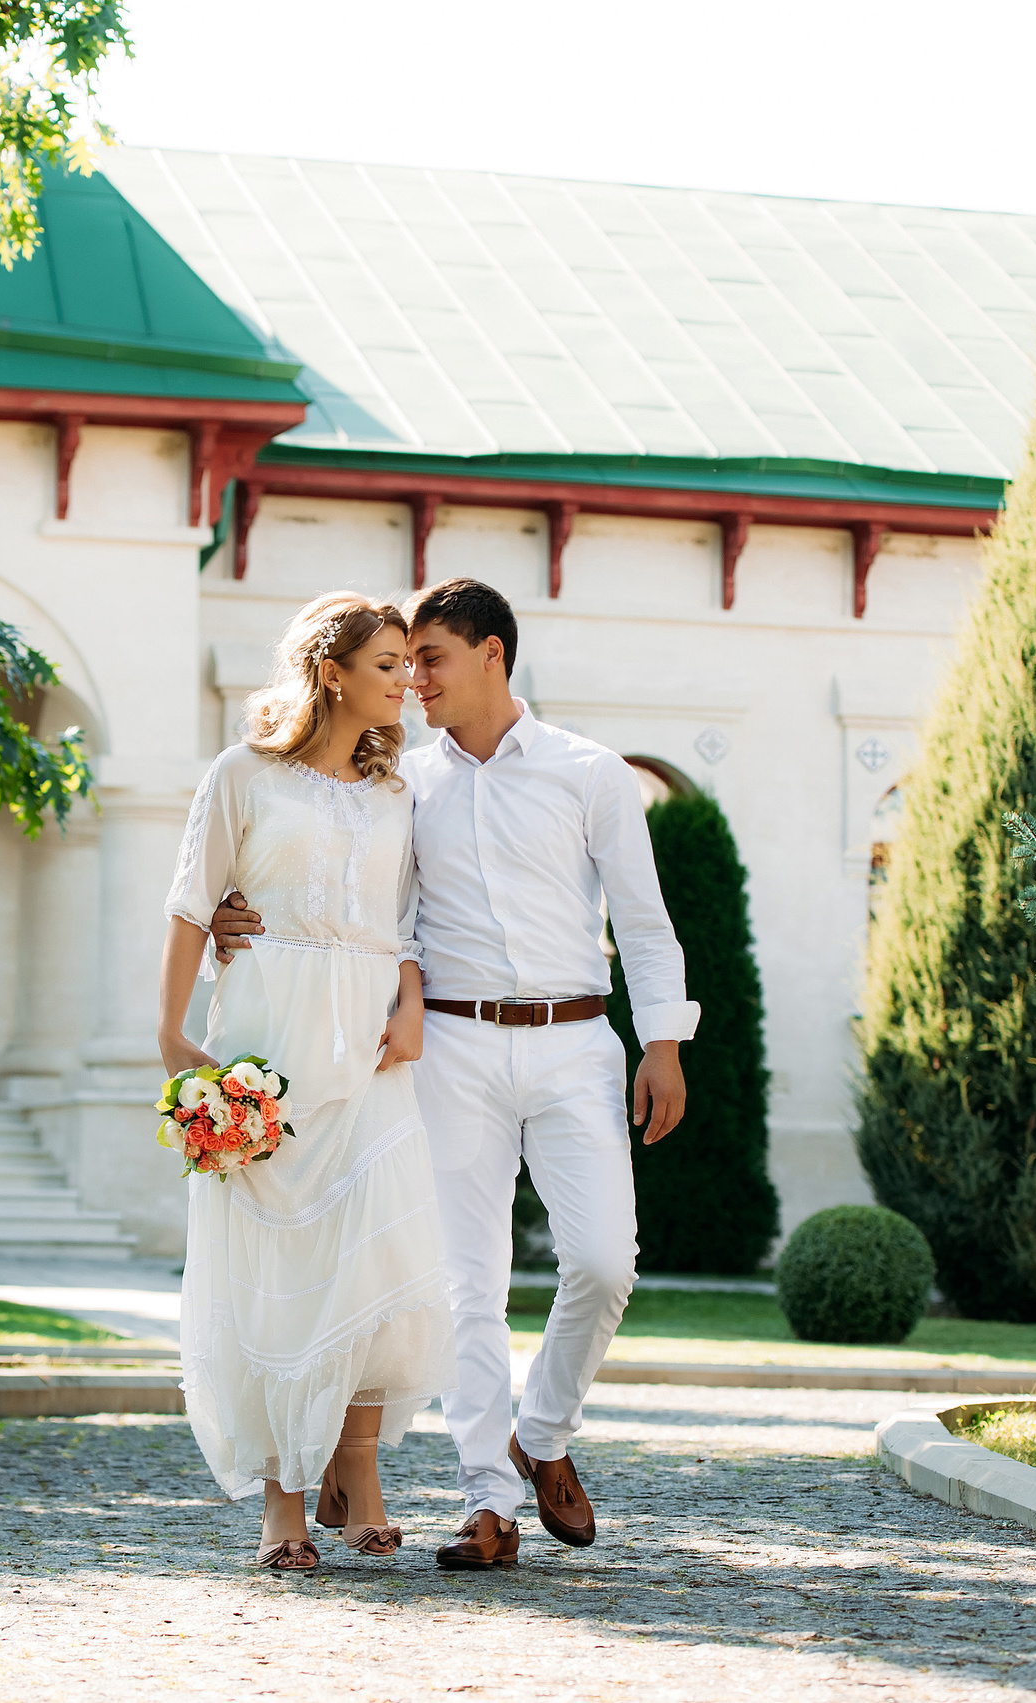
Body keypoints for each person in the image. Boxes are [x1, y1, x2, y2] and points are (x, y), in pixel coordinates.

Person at [215, 577, 694, 1571]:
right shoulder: (404, 785)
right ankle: (488, 1502)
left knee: (604, 1262)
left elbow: (645, 923)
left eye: (429, 658)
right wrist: (233, 912)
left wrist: (663, 1041)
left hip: (574, 1039)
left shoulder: (590, 773)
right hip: (451, 1045)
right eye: (402, 662)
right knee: (468, 1285)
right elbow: (342, 886)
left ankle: (542, 1433)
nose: (414, 680)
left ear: (491, 654)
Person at [157, 591, 456, 1572]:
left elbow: (405, 920)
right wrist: (170, 1034)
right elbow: (193, 903)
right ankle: (282, 1502)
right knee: (279, 1271)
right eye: (387, 663)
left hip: (369, 1045)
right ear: (332, 673)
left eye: (409, 663)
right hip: (268, 1038)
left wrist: (410, 1000)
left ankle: (359, 1476)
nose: (405, 681)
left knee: (377, 1260)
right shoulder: (240, 774)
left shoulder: (395, 792)